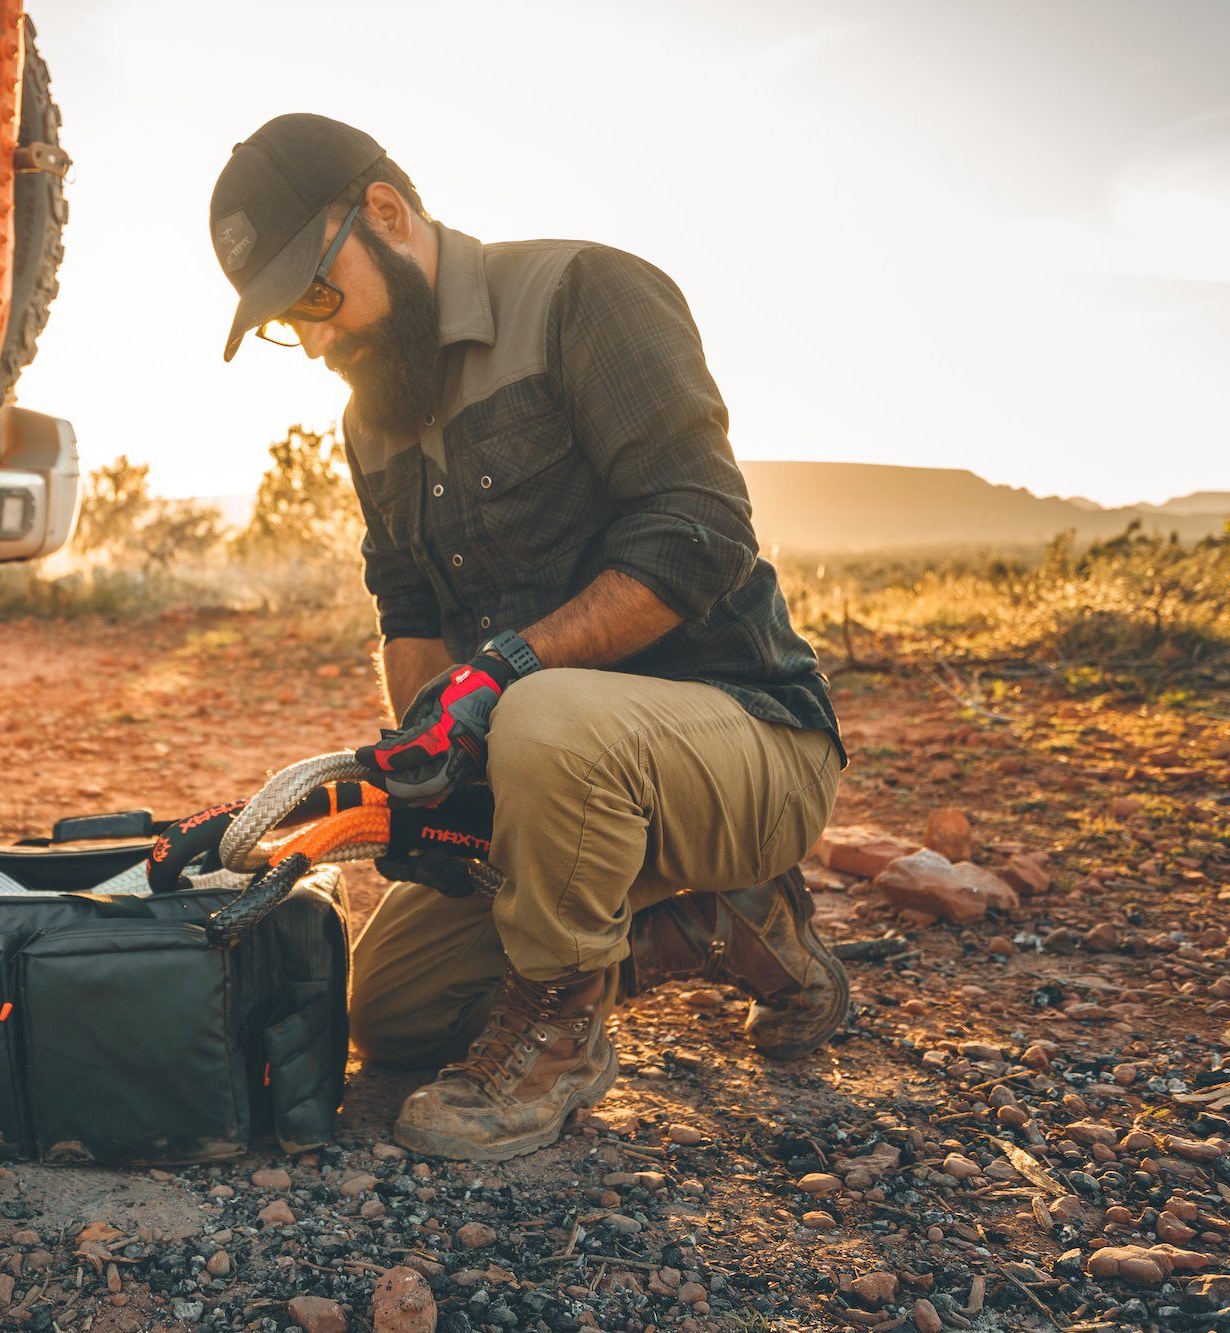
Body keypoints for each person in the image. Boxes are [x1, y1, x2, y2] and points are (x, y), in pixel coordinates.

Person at [210, 114, 851, 1161]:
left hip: (753, 745)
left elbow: (701, 530)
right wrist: (434, 743)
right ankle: (724, 925)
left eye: (315, 295)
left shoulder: (581, 294)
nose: (314, 337)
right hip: (555, 784)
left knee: (542, 711)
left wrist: (504, 670)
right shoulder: (368, 417)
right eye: (289, 319)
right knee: (393, 1015)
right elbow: (406, 606)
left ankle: (554, 1030)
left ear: (386, 215)